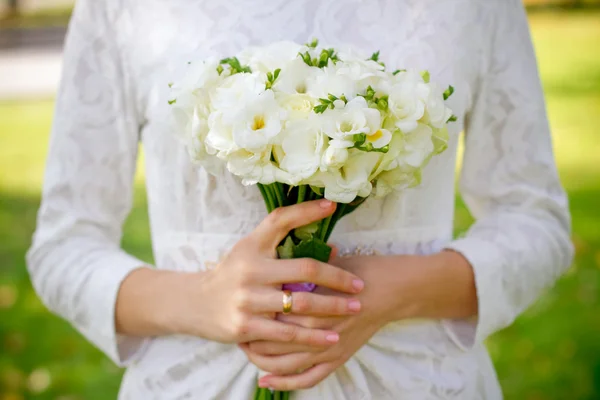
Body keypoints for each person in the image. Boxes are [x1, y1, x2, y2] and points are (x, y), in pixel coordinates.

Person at [26, 0, 574, 398]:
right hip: (194, 383)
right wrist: (202, 299)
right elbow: (63, 246)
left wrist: (386, 292)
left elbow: (535, 220)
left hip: (418, 381)